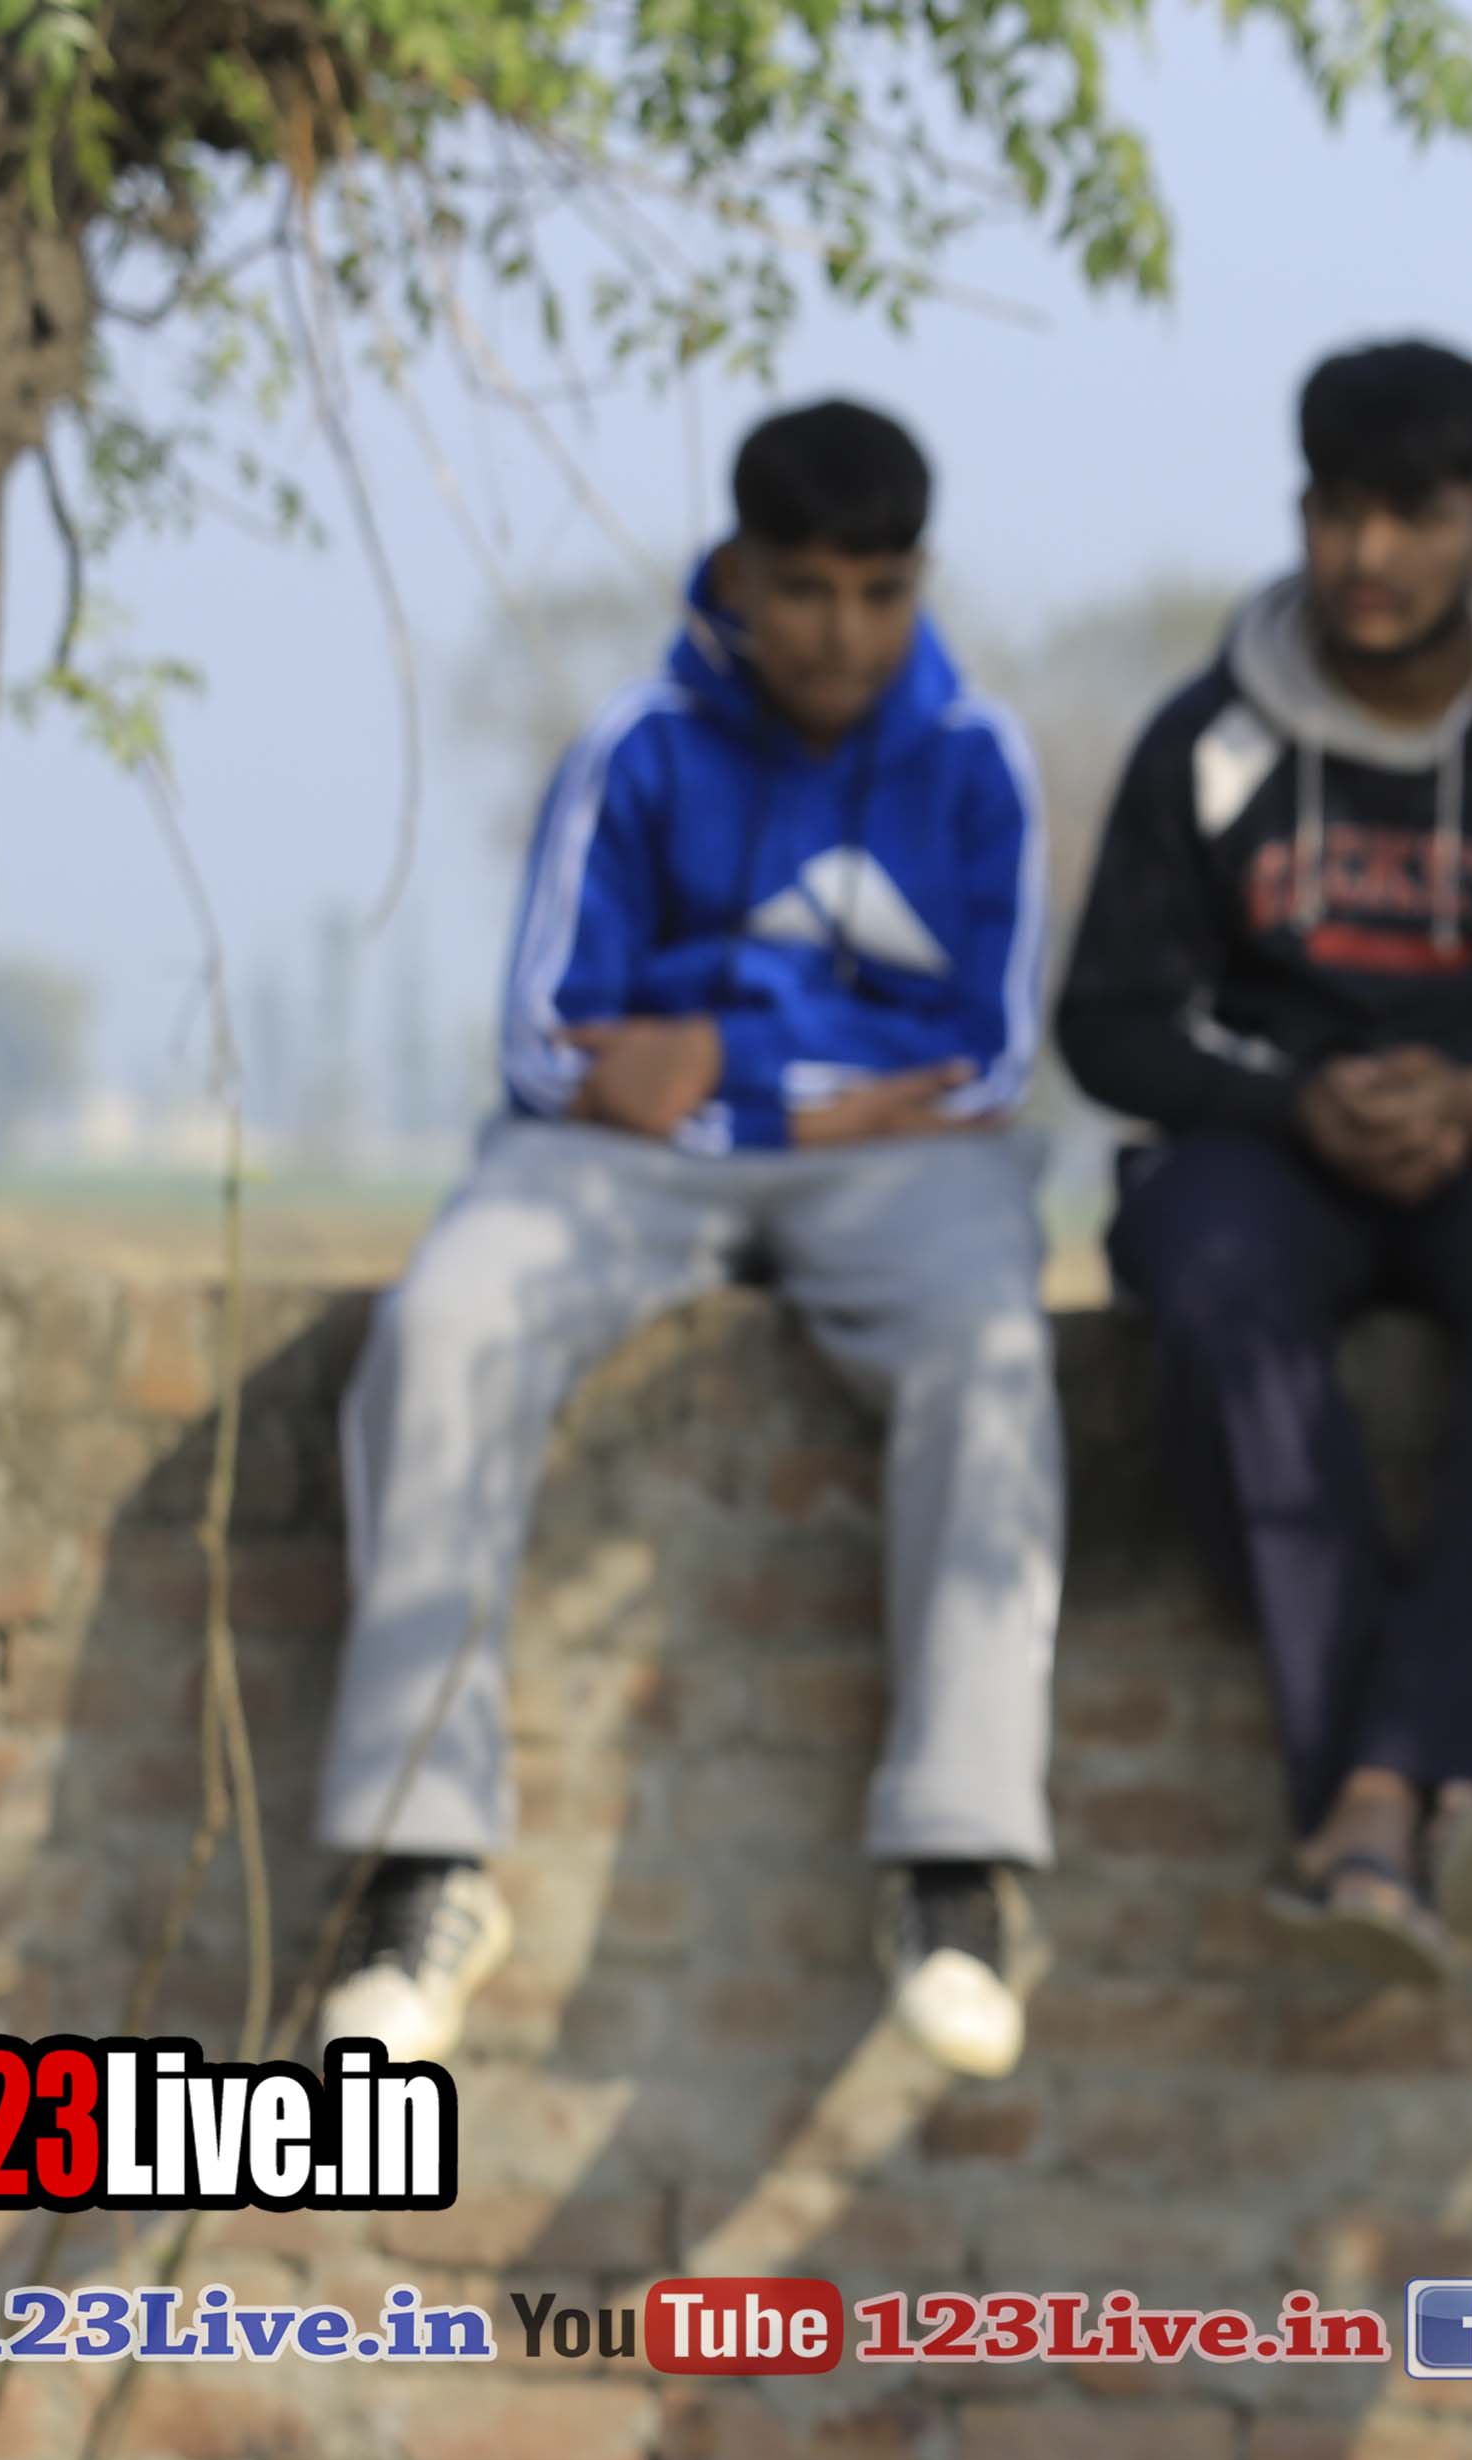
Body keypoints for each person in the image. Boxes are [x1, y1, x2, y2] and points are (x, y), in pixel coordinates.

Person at [319, 399, 1056, 2081]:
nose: (842, 632)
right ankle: (422, 1867)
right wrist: (809, 1090)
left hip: (888, 1172)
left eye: (880, 593)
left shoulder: (976, 760)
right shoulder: (636, 749)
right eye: (805, 590)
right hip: (629, 1169)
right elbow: (546, 1046)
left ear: (920, 583)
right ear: (734, 573)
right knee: (446, 1325)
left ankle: (955, 1867)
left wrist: (722, 1062)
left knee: (994, 1356)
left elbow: (991, 1060)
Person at [1063, 339, 1472, 1974]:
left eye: (1414, 516)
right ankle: (1433, 1778)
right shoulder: (1207, 741)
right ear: (1301, 512)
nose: (1368, 555)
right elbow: (1111, 1025)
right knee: (1210, 1281)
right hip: (1269, 1147)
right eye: (1338, 512)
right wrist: (1299, 1099)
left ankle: (1366, 1800)